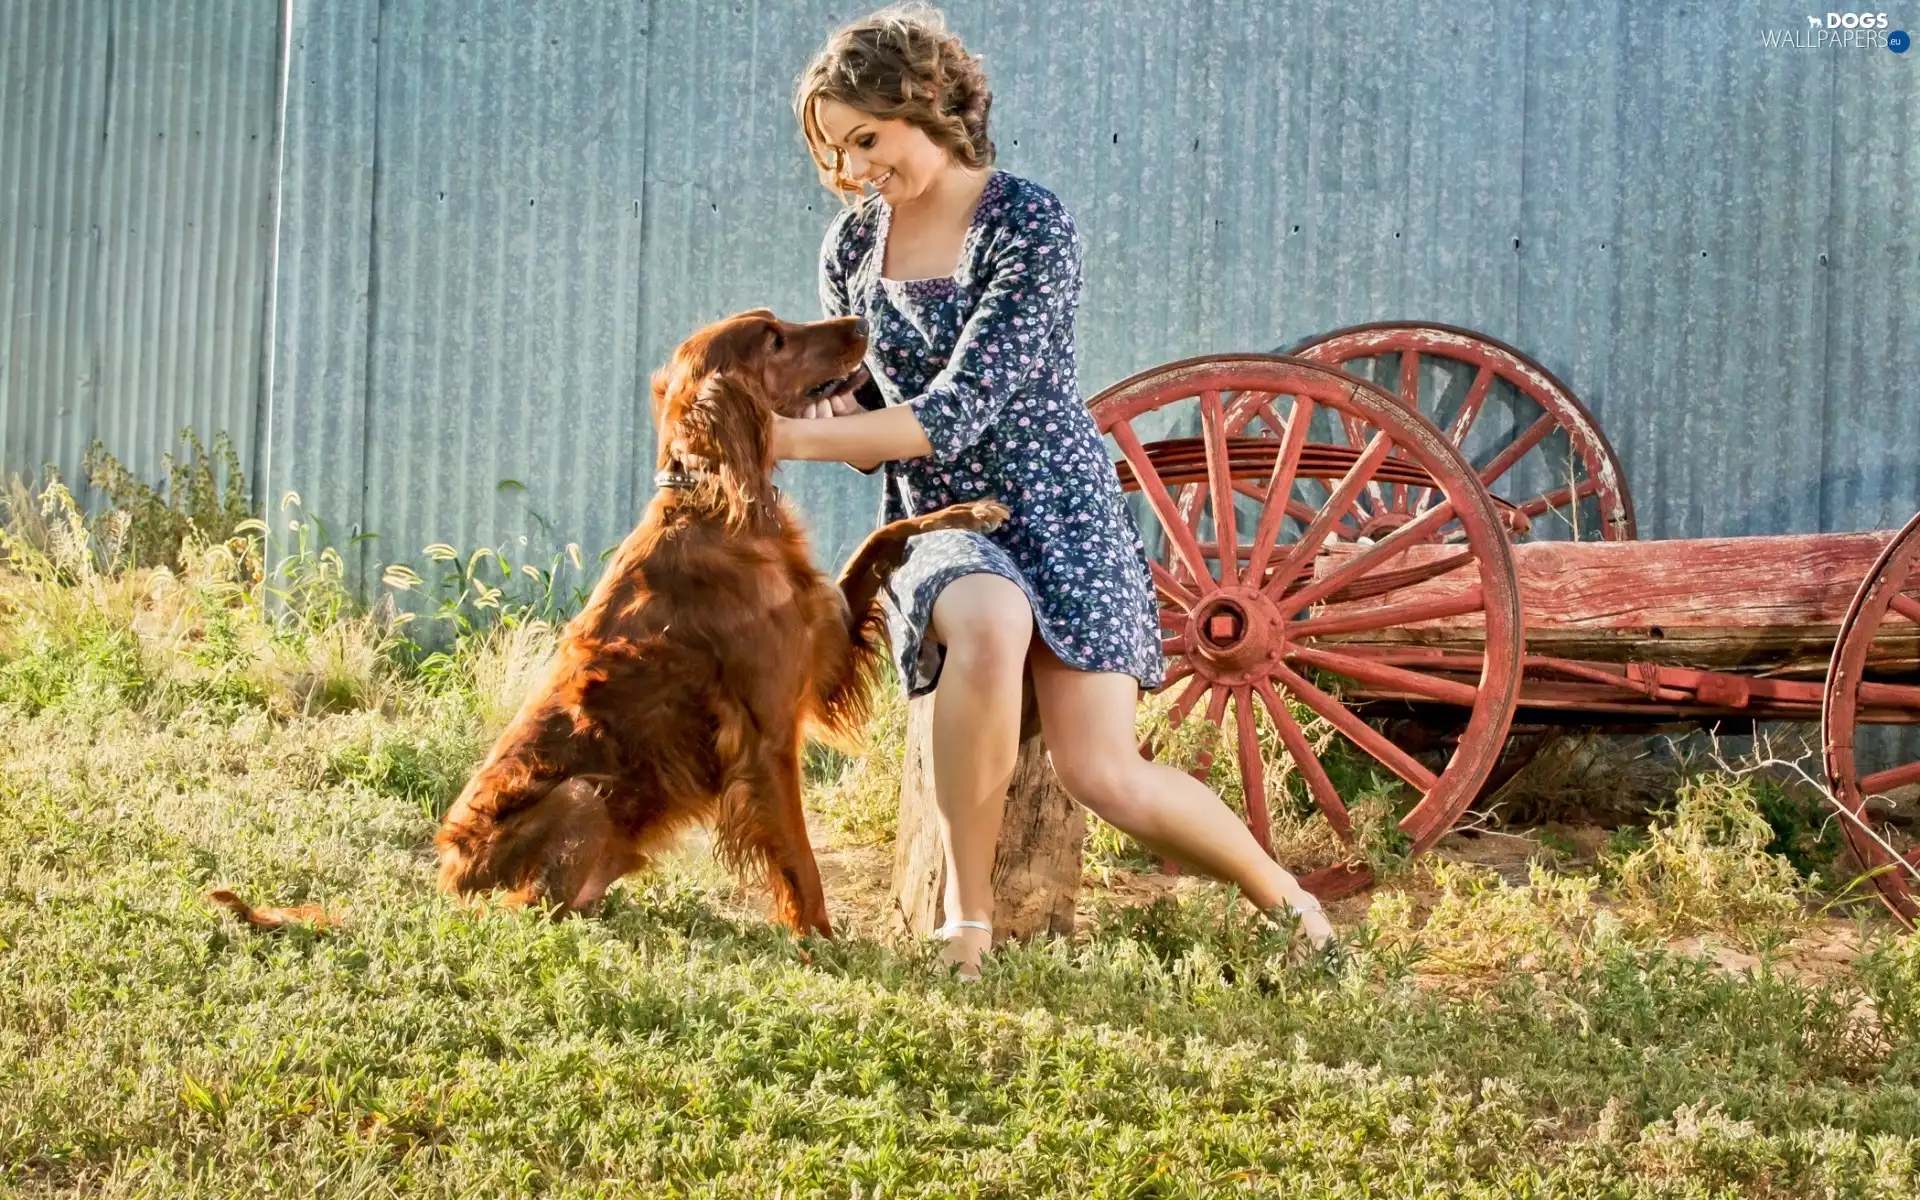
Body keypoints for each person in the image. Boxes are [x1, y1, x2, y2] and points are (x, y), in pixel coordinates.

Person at [779, 3, 1334, 978]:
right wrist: (820, 414)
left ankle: (1294, 909)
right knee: (988, 615)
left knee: (1102, 772)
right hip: (942, 519)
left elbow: (957, 409)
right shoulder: (851, 248)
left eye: (867, 138)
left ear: (927, 100)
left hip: (1061, 509)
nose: (854, 167)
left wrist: (782, 440)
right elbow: (878, 421)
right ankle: (967, 921)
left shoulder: (1029, 224)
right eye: (837, 149)